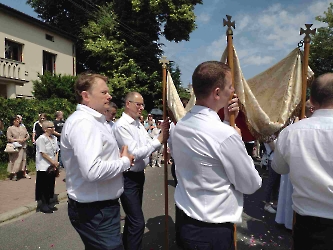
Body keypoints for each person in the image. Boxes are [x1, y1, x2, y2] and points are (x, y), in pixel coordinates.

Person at [171, 61, 262, 249]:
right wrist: (236, 137)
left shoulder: (181, 125)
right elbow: (250, 183)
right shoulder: (225, 135)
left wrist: (230, 122)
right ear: (217, 93)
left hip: (185, 219)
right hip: (212, 230)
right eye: (230, 86)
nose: (234, 91)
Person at [61, 73, 134, 250]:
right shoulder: (84, 123)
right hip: (95, 210)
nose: (109, 96)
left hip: (98, 208)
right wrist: (124, 162)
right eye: (103, 92)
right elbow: (92, 170)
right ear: (86, 96)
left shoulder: (94, 121)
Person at [272, 73, 333, 250]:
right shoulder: (292, 132)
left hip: (307, 222)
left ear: (311, 100)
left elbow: (279, 167)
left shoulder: (291, 132)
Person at [113, 91, 169, 250]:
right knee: (138, 222)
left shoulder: (137, 124)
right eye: (138, 104)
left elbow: (148, 143)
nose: (141, 108)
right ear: (128, 104)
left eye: (142, 104)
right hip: (127, 177)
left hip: (138, 176)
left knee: (132, 220)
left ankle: (127, 246)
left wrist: (162, 132)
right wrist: (158, 141)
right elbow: (134, 153)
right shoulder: (122, 126)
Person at [35, 120, 59, 213]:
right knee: (43, 185)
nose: (53, 128)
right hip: (44, 166)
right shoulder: (41, 139)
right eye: (50, 127)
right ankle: (43, 204)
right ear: (45, 129)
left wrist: (55, 161)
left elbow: (57, 150)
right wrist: (52, 161)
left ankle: (49, 202)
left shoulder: (54, 138)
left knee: (50, 185)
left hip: (52, 165)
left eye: (53, 126)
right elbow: (43, 153)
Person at [6, 116, 30, 181]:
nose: (18, 121)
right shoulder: (10, 128)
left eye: (18, 120)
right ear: (13, 121)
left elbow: (27, 135)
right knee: (15, 160)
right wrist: (17, 140)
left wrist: (24, 139)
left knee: (23, 159)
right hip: (15, 146)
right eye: (17, 120)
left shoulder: (23, 127)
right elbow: (9, 138)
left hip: (23, 146)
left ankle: (24, 172)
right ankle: (14, 174)